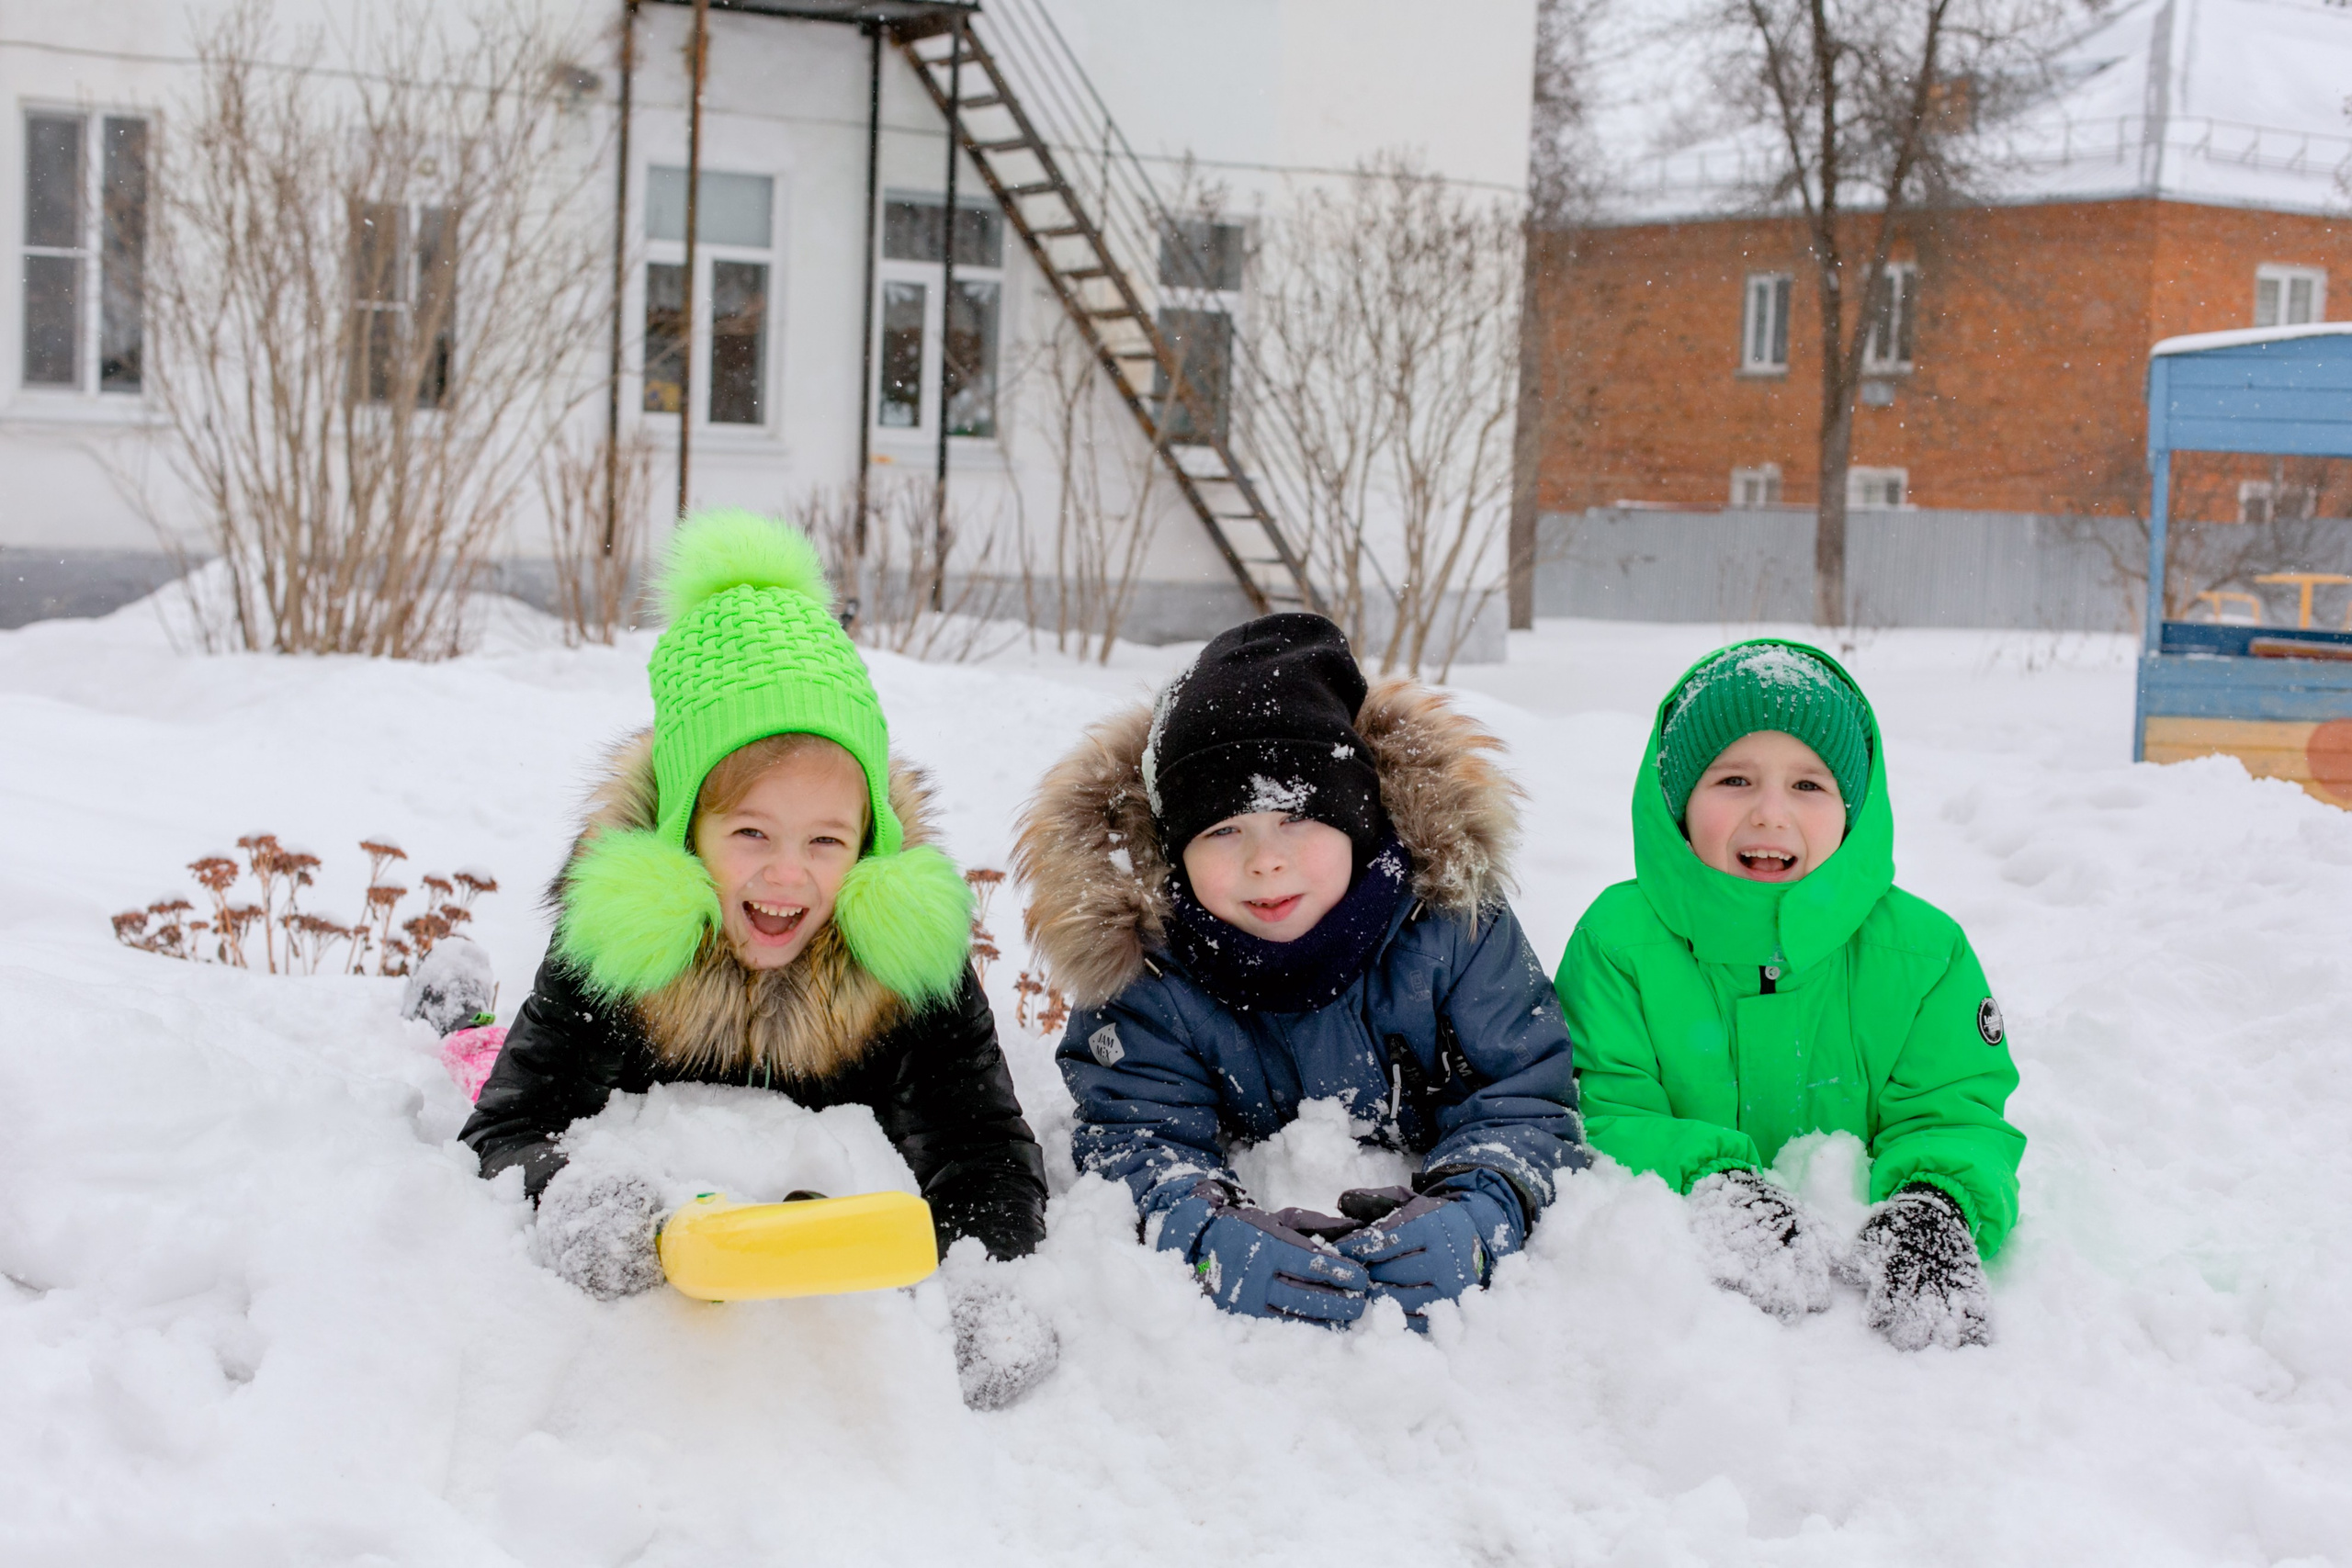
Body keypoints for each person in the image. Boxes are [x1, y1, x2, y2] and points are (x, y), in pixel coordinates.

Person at [456, 512, 1050, 1401]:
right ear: (683, 831)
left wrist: (976, 1274)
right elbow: (507, 1128)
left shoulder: (904, 958)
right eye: (748, 832)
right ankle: (455, 1010)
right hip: (661, 1383)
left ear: (868, 843)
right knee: (471, 1062)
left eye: (825, 840)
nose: (787, 874)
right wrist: (577, 1193)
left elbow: (983, 1147)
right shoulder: (620, 944)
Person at [1014, 614, 1583, 1331]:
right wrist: (1198, 1234)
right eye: (1223, 830)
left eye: (1296, 818)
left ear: (1358, 819)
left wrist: (1481, 1211)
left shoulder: (1451, 923)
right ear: (1176, 850)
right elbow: (1135, 1133)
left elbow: (1524, 1099)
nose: (1265, 860)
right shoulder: (1150, 969)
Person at [1555, 639, 2025, 1350]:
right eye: (1734, 780)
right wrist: (1710, 1178)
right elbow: (1601, 1109)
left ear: (1851, 812)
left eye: (1808, 785)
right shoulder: (1619, 944)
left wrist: (1938, 1200)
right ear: (1679, 803)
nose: (1771, 813)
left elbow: (1954, 1106)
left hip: (1867, 1374)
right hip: (1688, 1350)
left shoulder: (1924, 955)